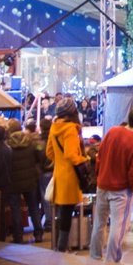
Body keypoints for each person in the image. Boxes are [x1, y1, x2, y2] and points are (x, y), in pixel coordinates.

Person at [90, 105, 133, 263]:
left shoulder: (112, 131)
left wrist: (99, 175)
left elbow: (99, 156)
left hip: (103, 184)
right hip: (121, 190)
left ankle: (95, 255)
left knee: (99, 222)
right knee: (118, 225)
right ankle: (112, 259)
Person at [45, 103, 88, 252]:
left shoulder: (54, 127)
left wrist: (60, 162)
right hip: (70, 176)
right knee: (67, 213)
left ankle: (60, 246)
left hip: (59, 175)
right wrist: (84, 159)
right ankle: (62, 248)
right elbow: (71, 154)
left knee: (62, 212)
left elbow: (49, 153)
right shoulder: (70, 129)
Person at [5, 123, 43, 243]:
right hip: (30, 179)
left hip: (14, 182)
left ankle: (18, 236)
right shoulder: (31, 143)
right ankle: (38, 234)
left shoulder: (8, 146)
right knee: (33, 207)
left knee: (16, 209)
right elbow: (40, 157)